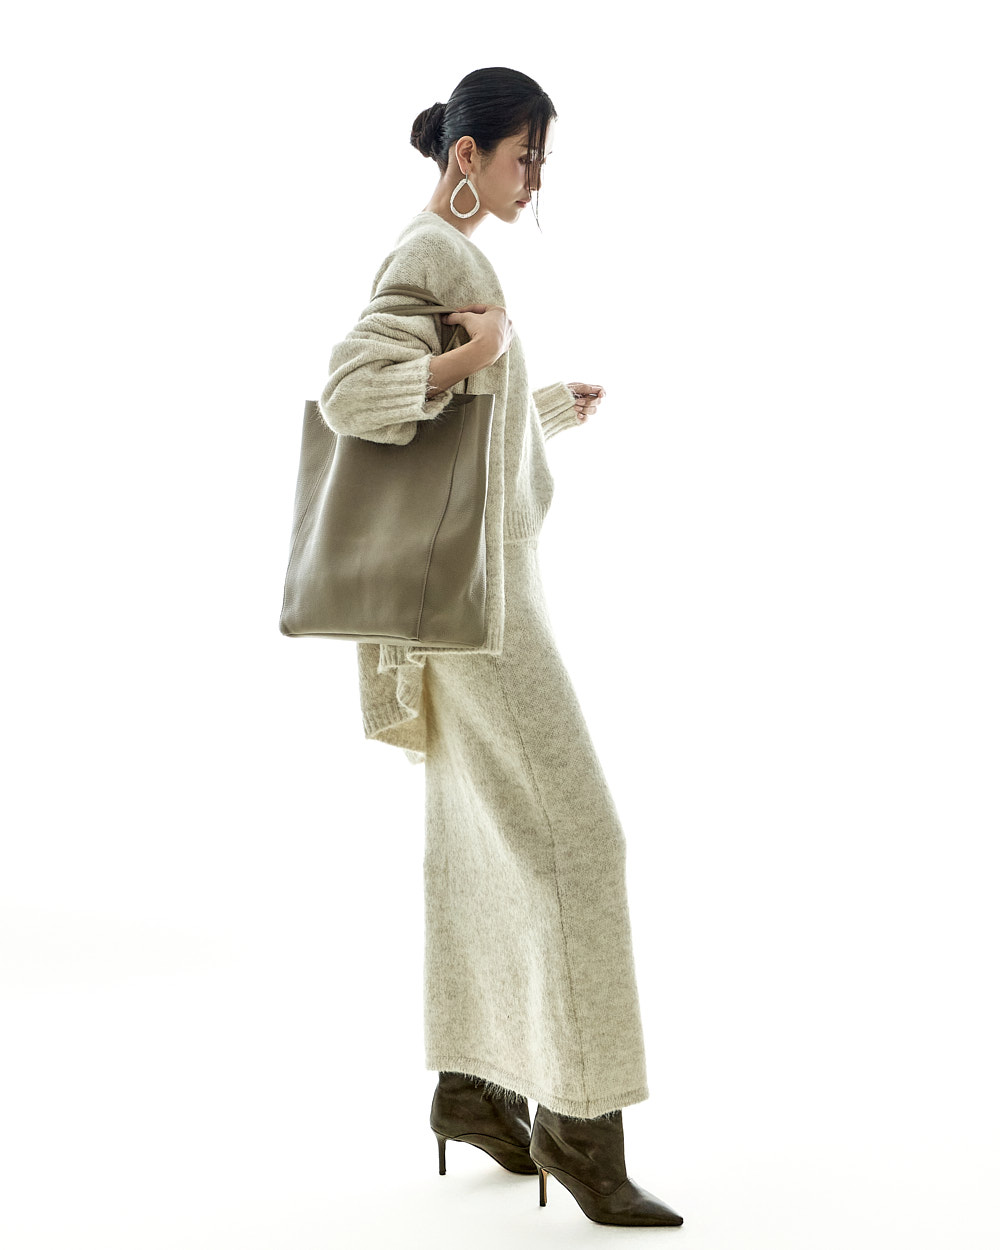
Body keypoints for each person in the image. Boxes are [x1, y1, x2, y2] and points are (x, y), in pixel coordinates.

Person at [317, 67, 683, 1229]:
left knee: (483, 841)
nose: (535, 179)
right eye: (525, 156)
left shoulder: (451, 254)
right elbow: (352, 394)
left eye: (541, 160)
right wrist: (465, 364)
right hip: (482, 614)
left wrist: (541, 404)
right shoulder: (433, 253)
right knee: (580, 839)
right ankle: (578, 1127)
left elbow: (449, 449)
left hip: (466, 600)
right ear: (466, 155)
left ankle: (473, 1085)